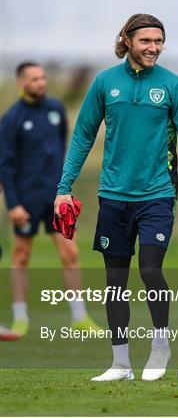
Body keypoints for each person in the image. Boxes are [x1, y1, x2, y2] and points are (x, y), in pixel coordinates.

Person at [54, 13, 178, 382]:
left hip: (157, 194)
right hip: (113, 196)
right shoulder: (104, 83)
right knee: (115, 280)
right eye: (146, 41)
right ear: (127, 40)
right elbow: (82, 137)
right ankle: (121, 364)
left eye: (159, 41)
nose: (154, 48)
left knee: (150, 270)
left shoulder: (173, 85)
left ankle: (161, 347)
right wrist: (64, 189)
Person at [0, 62, 102, 337]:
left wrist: (65, 189)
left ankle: (79, 316)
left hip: (57, 198)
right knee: (21, 256)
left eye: (43, 77)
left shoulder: (56, 110)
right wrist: (13, 204)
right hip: (26, 200)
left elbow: (64, 150)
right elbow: (5, 165)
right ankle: (20, 316)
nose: (41, 83)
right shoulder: (12, 118)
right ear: (22, 83)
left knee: (70, 253)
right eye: (34, 79)